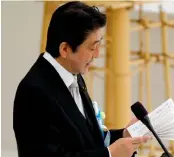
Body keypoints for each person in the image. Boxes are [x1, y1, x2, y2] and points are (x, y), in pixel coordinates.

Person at [13, 1, 151, 157]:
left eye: (99, 45)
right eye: (92, 47)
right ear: (65, 49)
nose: (97, 54)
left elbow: (86, 141)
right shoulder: (34, 92)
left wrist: (124, 136)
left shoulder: (72, 73)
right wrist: (109, 155)